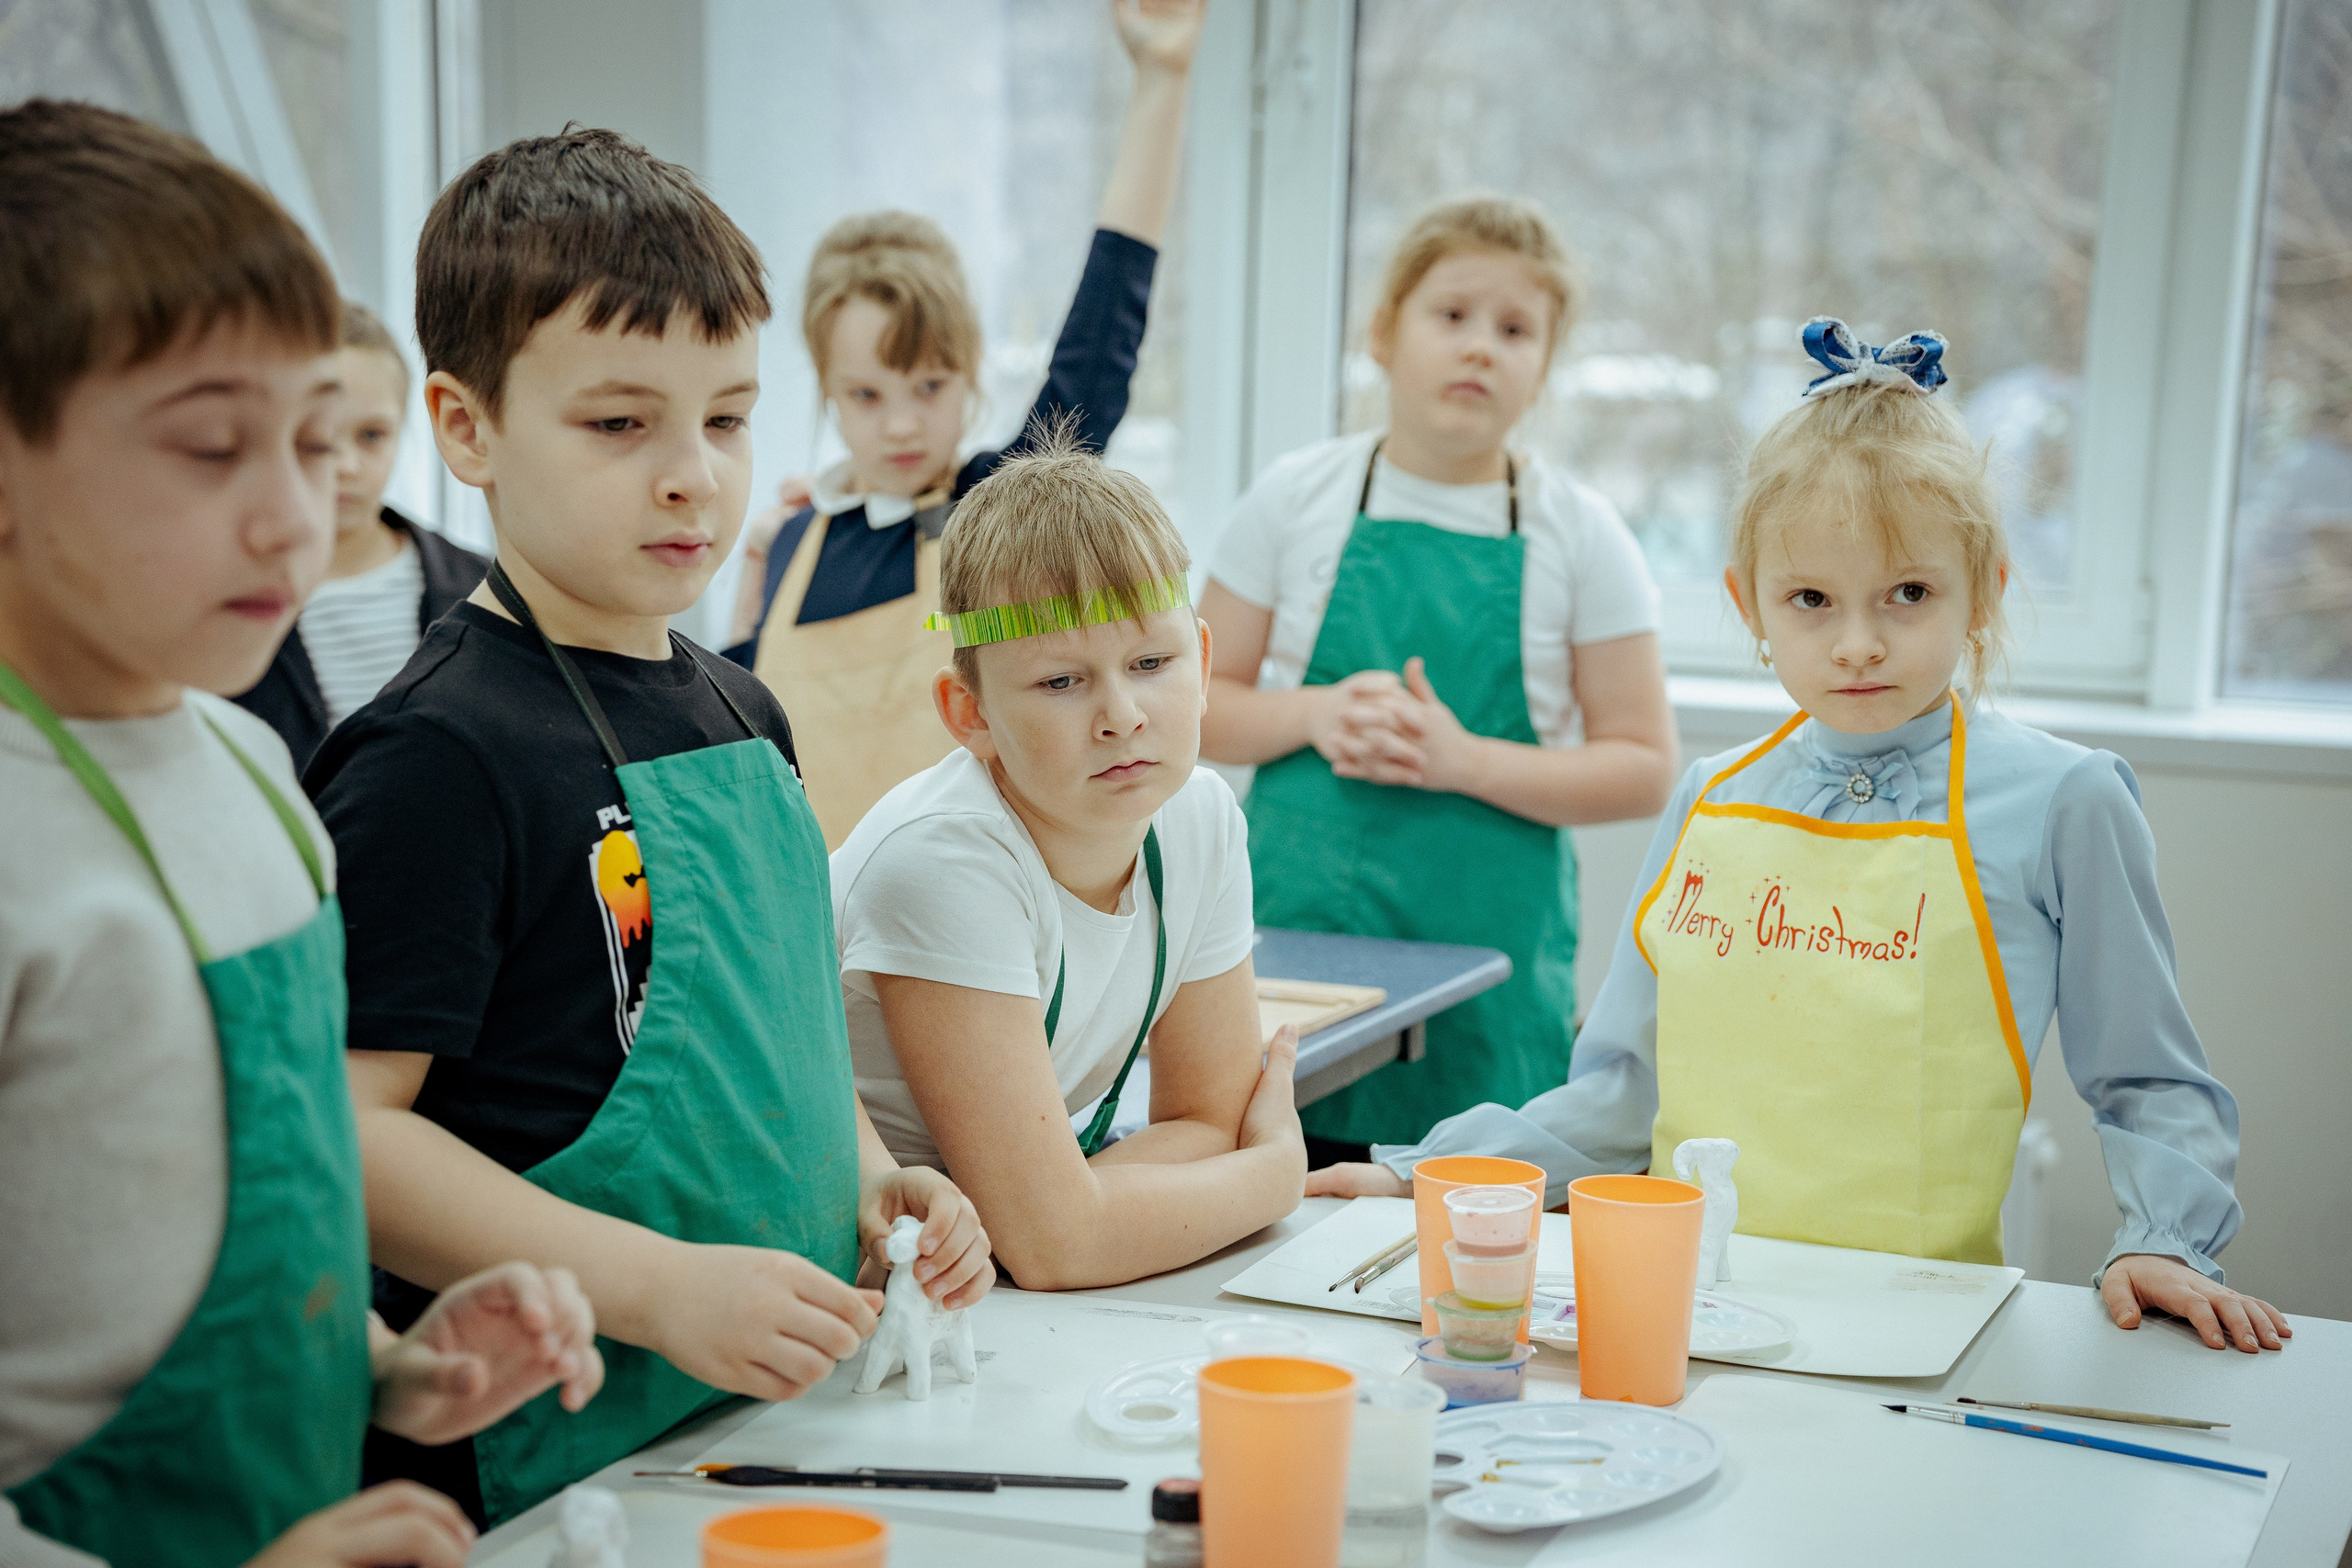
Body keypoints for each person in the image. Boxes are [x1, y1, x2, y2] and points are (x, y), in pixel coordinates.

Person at [1311, 320, 2292, 1356]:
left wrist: (2165, 1243)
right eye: (1811, 600)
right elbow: (1619, 1094)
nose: (1859, 642)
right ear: (1750, 606)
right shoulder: (1709, 797)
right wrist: (1420, 1173)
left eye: (1907, 594)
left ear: (1983, 590)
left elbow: (2147, 1076)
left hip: (1917, 1333)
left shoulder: (2068, 800)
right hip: (1683, 1312)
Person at [316, 128, 995, 1528]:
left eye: (731, 417)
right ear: (465, 427)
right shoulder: (437, 754)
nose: (692, 473)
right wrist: (657, 1285)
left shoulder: (747, 713)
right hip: (547, 1467)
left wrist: (881, 1185)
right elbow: (354, 1140)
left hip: (765, 1418)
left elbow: (779, 1044)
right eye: (621, 424)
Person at [0, 101, 600, 1568]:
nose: (295, 513)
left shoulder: (256, 768)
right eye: (213, 448)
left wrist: (391, 1364)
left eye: (317, 440)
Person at [1197, 194, 1678, 1162]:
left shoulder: (1579, 533)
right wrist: (1315, 715)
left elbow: (1644, 768)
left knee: (1469, 1227)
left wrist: (1466, 762)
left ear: (1542, 369)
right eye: (1450, 316)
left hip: (1491, 978)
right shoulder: (1295, 498)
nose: (1479, 349)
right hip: (1297, 954)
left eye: (1514, 330)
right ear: (1381, 335)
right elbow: (1191, 710)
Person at [830, 432, 1308, 1291]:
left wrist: (1067, 1205)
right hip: (858, 1274)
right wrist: (1272, 1175)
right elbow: (1058, 1248)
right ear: (967, 712)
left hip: (978, 1277)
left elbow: (1208, 1120)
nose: (1122, 714)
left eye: (1151, 663)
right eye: (1061, 682)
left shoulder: (1199, 817)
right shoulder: (943, 860)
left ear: (1202, 665)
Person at [726, 0, 1206, 850]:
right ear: (826, 392)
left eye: (931, 384)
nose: (903, 425)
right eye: (867, 396)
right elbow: (734, 759)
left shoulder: (995, 508)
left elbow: (1106, 325)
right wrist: (748, 596)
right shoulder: (794, 543)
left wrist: (1162, 78)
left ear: (972, 372)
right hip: (821, 940)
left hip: (978, 926)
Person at [232, 300, 486, 770]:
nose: (344, 467)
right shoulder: (225, 596)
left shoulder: (484, 587)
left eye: (371, 436)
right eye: (317, 437)